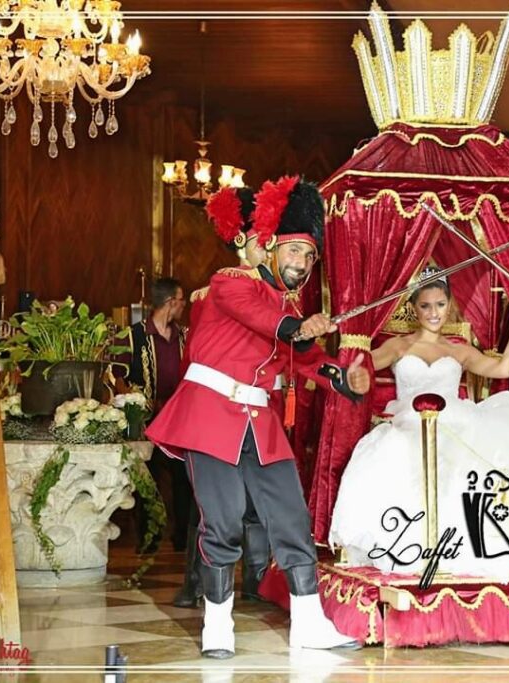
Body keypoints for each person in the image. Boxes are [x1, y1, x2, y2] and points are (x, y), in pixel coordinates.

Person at [146, 175, 371, 657]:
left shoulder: (284, 305)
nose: (303, 264)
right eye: (294, 252)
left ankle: (310, 623)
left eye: (310, 257)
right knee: (222, 524)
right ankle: (218, 626)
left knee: (292, 518)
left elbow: (303, 358)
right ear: (269, 248)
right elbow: (268, 323)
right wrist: (299, 327)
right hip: (210, 418)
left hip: (259, 421)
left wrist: (341, 378)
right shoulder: (230, 284)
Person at [329, 269, 509, 579]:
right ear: (414, 308)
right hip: (411, 422)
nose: (434, 313)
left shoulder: (458, 349)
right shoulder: (398, 346)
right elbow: (361, 367)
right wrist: (355, 375)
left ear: (449, 305)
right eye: (426, 306)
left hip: (457, 422)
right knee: (394, 453)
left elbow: (502, 368)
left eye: (440, 305)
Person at [171, 186, 277, 609]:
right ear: (240, 242)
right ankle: (195, 582)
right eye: (261, 242)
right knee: (210, 505)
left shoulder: (280, 291)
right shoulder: (217, 290)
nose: (268, 250)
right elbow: (197, 354)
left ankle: (254, 580)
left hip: (261, 407)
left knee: (258, 501)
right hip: (217, 408)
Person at [124, 277, 188, 551]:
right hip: (147, 421)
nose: (184, 305)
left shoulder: (185, 335)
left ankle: (183, 538)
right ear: (171, 303)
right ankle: (148, 540)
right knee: (146, 480)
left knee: (183, 480)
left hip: (179, 419)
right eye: (181, 300)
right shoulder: (133, 335)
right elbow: (115, 377)